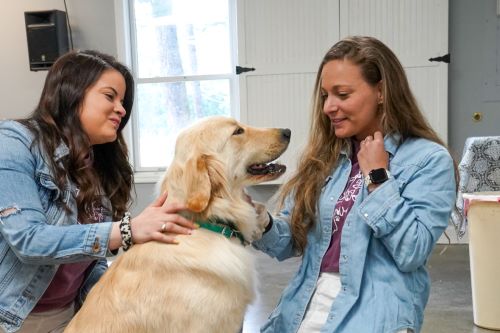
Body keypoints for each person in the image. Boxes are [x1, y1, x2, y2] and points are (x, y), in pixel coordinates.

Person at [252, 36, 457, 333]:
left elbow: (411, 251)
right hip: (305, 307)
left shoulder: (428, 160)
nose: (328, 107)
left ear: (382, 92)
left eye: (343, 94)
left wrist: (378, 177)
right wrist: (257, 219)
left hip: (373, 316)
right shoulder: (326, 158)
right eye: (325, 95)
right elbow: (290, 240)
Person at [0, 50, 196, 333]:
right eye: (110, 96)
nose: (121, 109)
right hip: (12, 320)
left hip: (70, 317)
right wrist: (128, 231)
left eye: (123, 101)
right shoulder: (14, 141)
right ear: (71, 93)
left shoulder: (99, 167)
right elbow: (29, 241)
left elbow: (89, 263)